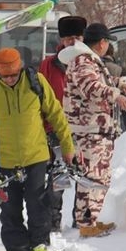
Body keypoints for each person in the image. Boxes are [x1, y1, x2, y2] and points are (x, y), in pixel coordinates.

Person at [0, 47, 75, 251]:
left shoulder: (35, 82)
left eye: (13, 74)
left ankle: (38, 243)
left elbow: (56, 113)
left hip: (35, 156)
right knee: (10, 209)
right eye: (4, 75)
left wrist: (67, 145)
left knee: (38, 203)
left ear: (20, 68)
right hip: (4, 161)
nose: (9, 79)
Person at [59, 23, 126, 238]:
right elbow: (90, 87)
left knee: (99, 176)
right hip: (89, 129)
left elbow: (100, 80)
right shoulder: (83, 60)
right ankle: (86, 223)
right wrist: (115, 95)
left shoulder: (89, 59)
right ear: (102, 43)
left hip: (96, 128)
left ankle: (91, 220)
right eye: (107, 42)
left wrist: (120, 83)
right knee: (91, 177)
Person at [38, 15, 87, 232]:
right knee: (57, 178)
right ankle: (52, 222)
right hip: (56, 129)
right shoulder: (49, 65)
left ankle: (83, 220)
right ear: (62, 40)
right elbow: (39, 98)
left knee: (85, 175)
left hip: (84, 129)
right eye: (68, 38)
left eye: (76, 37)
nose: (72, 42)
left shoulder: (90, 61)